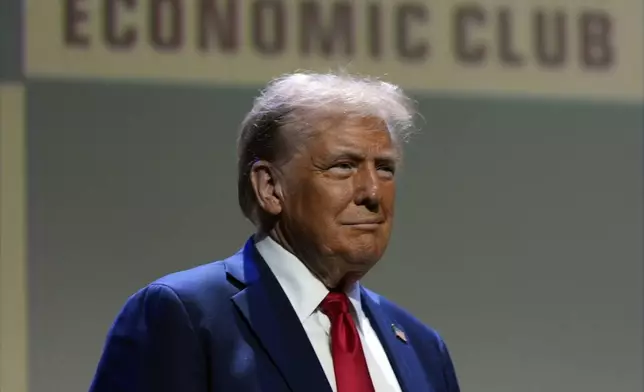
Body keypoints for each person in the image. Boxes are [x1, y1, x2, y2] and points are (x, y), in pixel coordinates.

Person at [89, 71, 460, 392]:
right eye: (343, 166)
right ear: (269, 187)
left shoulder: (423, 349)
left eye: (385, 169)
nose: (373, 192)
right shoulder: (183, 316)